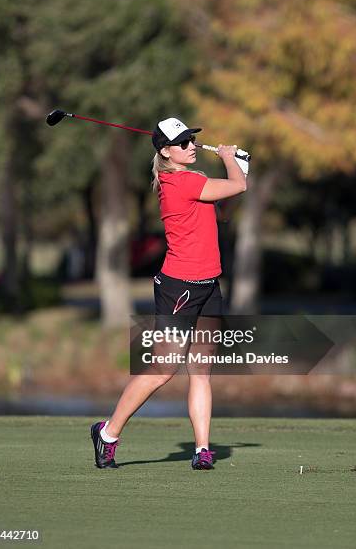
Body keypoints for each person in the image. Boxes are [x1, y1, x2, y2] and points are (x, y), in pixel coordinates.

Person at [91, 117, 248, 470]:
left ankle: (202, 450)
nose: (191, 146)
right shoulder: (182, 181)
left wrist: (240, 170)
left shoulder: (192, 182)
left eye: (192, 140)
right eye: (183, 143)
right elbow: (237, 187)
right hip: (180, 289)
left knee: (201, 371)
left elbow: (223, 212)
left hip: (209, 285)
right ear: (166, 151)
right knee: (163, 369)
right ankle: (108, 433)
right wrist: (229, 158)